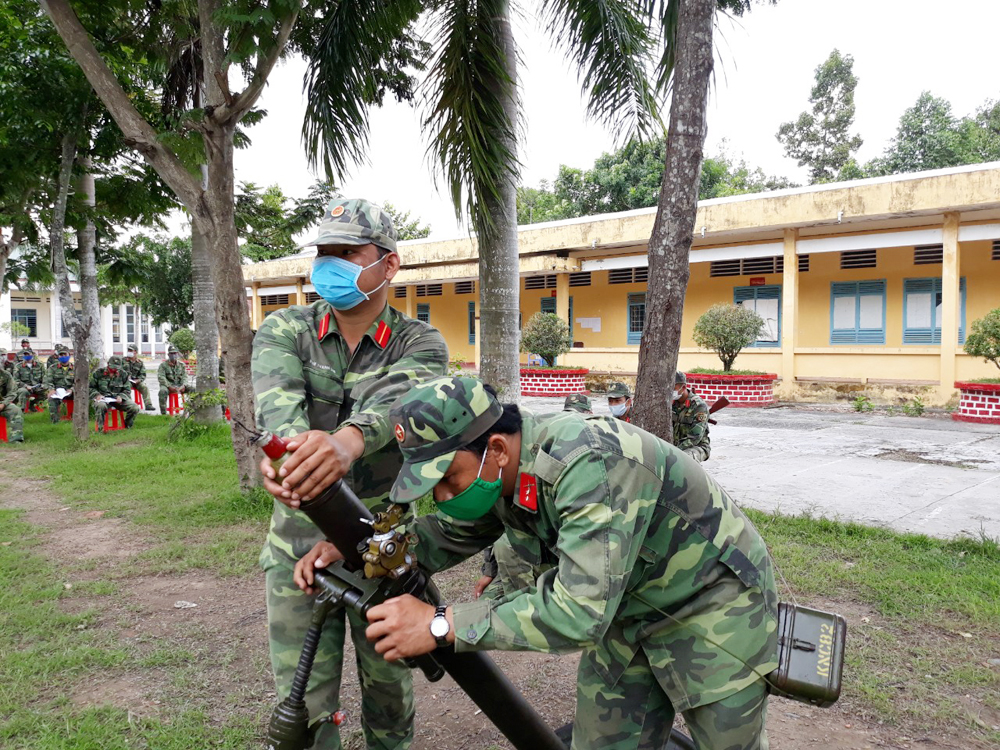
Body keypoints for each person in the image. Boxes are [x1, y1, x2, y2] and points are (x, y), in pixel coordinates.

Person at [295, 376, 779, 750]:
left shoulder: (587, 462)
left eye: (446, 479)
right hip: (628, 609)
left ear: (497, 449)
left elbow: (579, 610)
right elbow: (446, 534)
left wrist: (442, 625)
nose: (441, 498)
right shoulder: (506, 471)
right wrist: (354, 546)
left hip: (713, 605)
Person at [252, 197, 449, 749]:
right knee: (304, 709)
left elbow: (402, 396)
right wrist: (289, 463)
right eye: (323, 252)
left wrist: (343, 444)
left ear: (389, 264)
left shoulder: (421, 342)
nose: (329, 264)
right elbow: (278, 412)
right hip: (297, 552)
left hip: (377, 549)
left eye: (346, 252)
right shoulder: (285, 330)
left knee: (389, 701)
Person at [90, 355, 140, 431]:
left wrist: (121, 396)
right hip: (103, 399)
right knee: (101, 406)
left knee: (134, 407)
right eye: (112, 367)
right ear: (108, 364)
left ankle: (127, 427)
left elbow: (127, 390)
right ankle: (100, 429)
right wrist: (97, 395)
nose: (114, 369)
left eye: (116, 368)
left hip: (117, 399)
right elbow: (90, 387)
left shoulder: (123, 374)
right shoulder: (98, 373)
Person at [672, 371, 711, 462]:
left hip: (697, 447)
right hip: (675, 446)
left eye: (673, 388)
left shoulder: (698, 406)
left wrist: (675, 450)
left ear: (684, 387)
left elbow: (695, 437)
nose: (671, 391)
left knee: (684, 459)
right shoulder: (672, 404)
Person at [43, 345, 74, 423]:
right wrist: (51, 389)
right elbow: (47, 380)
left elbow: (79, 382)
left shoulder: (75, 368)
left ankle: (76, 418)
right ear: (58, 356)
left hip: (71, 391)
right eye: (61, 355)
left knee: (81, 396)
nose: (63, 356)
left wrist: (72, 389)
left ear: (69, 355)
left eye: (65, 355)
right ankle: (55, 421)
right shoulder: (52, 368)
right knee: (51, 399)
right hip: (57, 391)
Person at [157, 345, 188, 414]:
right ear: (168, 354)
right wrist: (169, 386)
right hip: (168, 385)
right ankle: (163, 414)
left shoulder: (181, 365)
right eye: (171, 353)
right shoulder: (163, 365)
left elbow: (185, 376)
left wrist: (184, 385)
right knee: (162, 391)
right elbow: (161, 377)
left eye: (175, 353)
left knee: (194, 389)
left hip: (180, 385)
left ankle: (193, 411)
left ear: (177, 354)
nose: (173, 355)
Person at [124, 344, 156, 411]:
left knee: (144, 387)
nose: (129, 351)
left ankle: (148, 405)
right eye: (128, 350)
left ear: (135, 352)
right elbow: (118, 371)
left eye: (131, 350)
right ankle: (130, 405)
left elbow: (143, 374)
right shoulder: (123, 361)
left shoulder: (139, 363)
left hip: (136, 381)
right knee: (127, 387)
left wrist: (139, 380)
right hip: (126, 381)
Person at [0, 368, 25, 443]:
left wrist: (3, 404)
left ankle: (16, 439)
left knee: (15, 410)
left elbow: (12, 392)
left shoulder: (5, 375)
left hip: (1, 403)